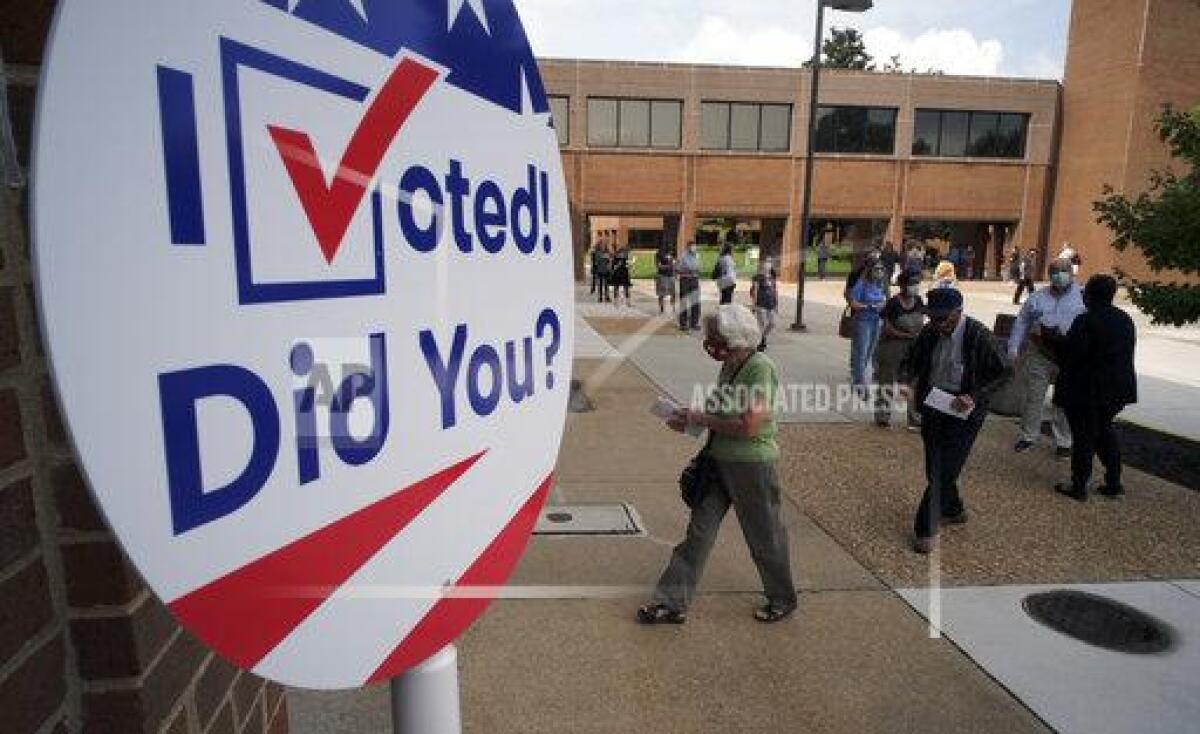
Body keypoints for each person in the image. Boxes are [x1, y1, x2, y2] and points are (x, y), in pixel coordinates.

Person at [638, 305, 797, 624]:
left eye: (715, 337)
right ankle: (671, 602)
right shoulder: (730, 365)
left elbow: (750, 426)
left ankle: (782, 598)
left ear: (735, 340)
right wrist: (687, 420)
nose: (709, 344)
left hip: (752, 466)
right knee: (698, 534)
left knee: (764, 536)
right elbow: (719, 412)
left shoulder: (759, 368)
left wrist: (701, 418)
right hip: (718, 462)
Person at [899, 288, 1012, 554]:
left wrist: (975, 395)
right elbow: (909, 360)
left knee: (945, 468)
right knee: (933, 466)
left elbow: (1005, 372)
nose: (938, 323)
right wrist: (906, 383)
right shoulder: (930, 332)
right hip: (936, 403)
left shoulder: (979, 335)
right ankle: (954, 508)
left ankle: (924, 529)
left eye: (943, 318)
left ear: (958, 312)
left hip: (965, 409)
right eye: (933, 318)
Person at [1053, 275, 1137, 501]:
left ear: (1090, 295)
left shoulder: (1086, 321)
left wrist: (1055, 340)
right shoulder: (1124, 319)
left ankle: (1079, 485)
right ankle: (1114, 483)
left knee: (1084, 437)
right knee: (1104, 433)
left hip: (1088, 390)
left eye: (1085, 291)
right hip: (1117, 390)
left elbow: (1073, 356)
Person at [1008, 258, 1086, 457]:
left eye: (1063, 271)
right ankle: (1028, 437)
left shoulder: (1083, 297)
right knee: (1033, 397)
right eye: (1055, 271)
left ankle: (1064, 442)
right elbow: (1022, 322)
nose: (1059, 275)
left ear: (1071, 273)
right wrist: (1014, 348)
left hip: (1068, 357)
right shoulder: (1037, 297)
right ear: (1049, 275)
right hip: (1040, 353)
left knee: (1063, 401)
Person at [874, 270, 925, 429]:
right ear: (902, 285)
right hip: (892, 347)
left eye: (917, 283)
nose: (915, 286)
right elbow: (887, 329)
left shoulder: (918, 301)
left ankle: (914, 418)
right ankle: (883, 416)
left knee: (913, 382)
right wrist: (905, 335)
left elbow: (921, 320)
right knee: (887, 381)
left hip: (913, 347)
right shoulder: (893, 303)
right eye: (911, 283)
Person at [847, 259, 887, 393]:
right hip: (863, 321)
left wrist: (882, 305)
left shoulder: (880, 284)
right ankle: (858, 381)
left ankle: (861, 376)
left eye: (881, 269)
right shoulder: (862, 284)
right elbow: (853, 303)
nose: (880, 271)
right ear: (870, 270)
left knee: (870, 352)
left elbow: (885, 300)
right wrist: (868, 306)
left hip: (877, 321)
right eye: (877, 269)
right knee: (861, 352)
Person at [749, 260, 779, 352]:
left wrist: (776, 304)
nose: (767, 267)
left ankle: (763, 337)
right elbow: (756, 291)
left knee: (772, 323)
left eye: (769, 265)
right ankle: (759, 342)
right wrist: (754, 304)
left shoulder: (772, 277)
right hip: (761, 303)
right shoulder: (757, 278)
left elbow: (775, 290)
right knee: (762, 324)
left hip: (771, 303)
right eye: (766, 265)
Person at [676, 242, 702, 331]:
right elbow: (677, 268)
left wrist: (696, 270)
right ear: (688, 247)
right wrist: (687, 270)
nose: (694, 248)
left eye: (695, 246)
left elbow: (698, 267)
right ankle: (683, 324)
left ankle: (694, 323)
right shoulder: (682, 256)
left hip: (694, 279)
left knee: (695, 301)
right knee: (684, 301)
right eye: (692, 246)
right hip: (685, 280)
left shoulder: (697, 256)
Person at [655, 244, 677, 315]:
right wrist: (669, 266)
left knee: (673, 293)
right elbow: (658, 266)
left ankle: (673, 308)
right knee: (661, 293)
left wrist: (675, 271)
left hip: (671, 276)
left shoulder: (673, 253)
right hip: (662, 276)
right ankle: (661, 309)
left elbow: (675, 264)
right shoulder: (659, 254)